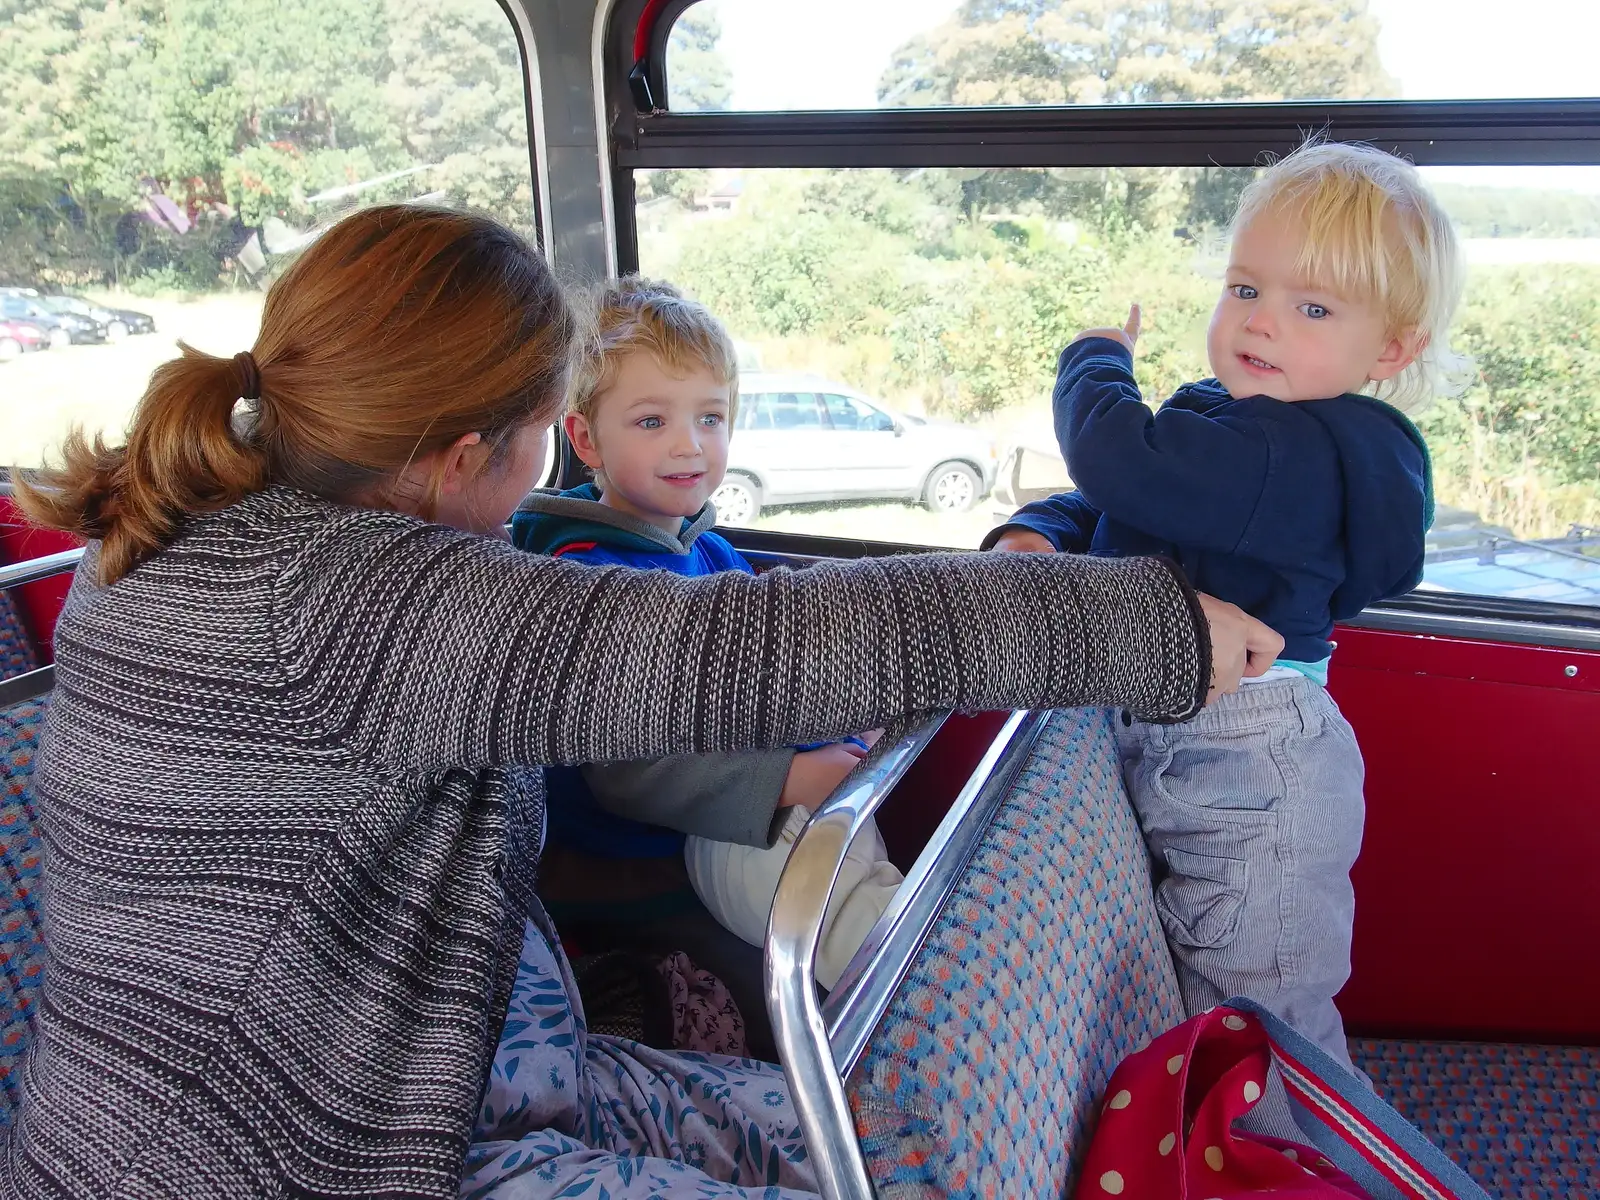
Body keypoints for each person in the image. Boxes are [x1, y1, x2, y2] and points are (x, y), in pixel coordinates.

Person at [3, 203, 1279, 1200]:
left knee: (879, 1140)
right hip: (287, 1153)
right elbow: (751, 650)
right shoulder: (360, 606)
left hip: (427, 1072)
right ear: (469, 461)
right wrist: (1146, 624)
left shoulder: (199, 537)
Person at [987, 141, 1466, 1091]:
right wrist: (1036, 531)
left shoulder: (1308, 453)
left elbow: (1122, 464)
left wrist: (1095, 361)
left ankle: (1308, 1169)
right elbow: (1127, 511)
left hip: (1253, 759)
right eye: (1246, 289)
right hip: (1195, 737)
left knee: (1264, 1027)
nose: (1263, 324)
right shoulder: (1233, 421)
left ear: (1393, 348)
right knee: (1202, 1007)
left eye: (1314, 308)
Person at [513, 277, 901, 1005]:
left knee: (843, 824)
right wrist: (788, 777)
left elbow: (773, 669)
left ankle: (900, 932)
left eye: (712, 418)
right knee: (791, 894)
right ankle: (908, 993)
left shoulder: (708, 552)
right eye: (653, 422)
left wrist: (846, 721)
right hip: (626, 854)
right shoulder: (587, 579)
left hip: (712, 819)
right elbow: (625, 771)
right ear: (586, 439)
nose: (691, 445)